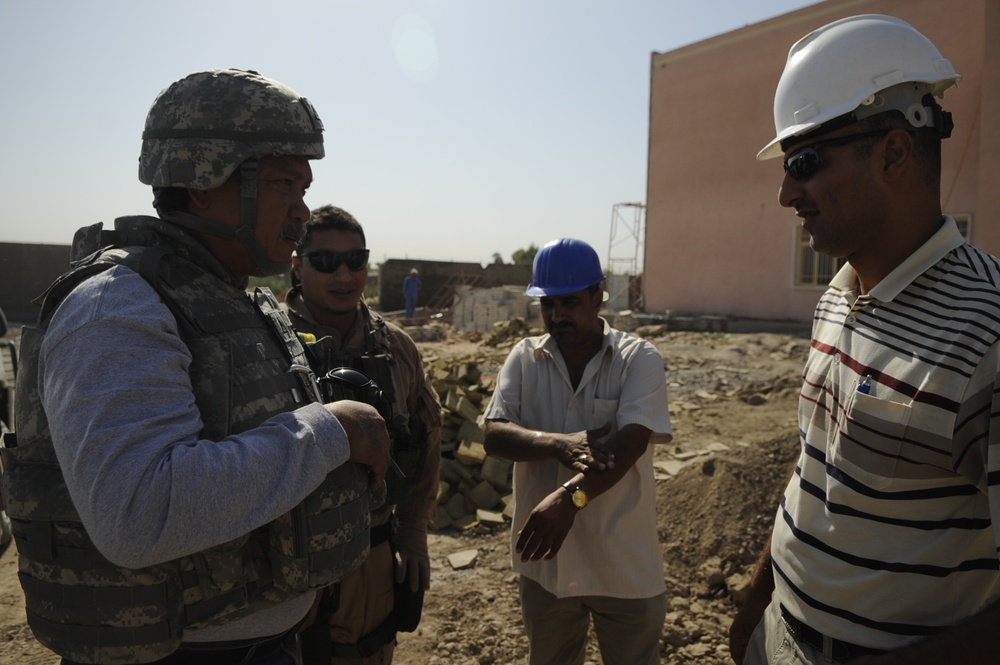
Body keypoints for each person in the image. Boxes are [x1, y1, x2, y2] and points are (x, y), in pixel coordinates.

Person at [0, 69, 392, 665]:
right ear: (202, 182)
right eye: (285, 184)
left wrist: (284, 595)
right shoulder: (117, 306)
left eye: (305, 187)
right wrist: (337, 431)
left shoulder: (231, 297)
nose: (302, 213)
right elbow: (139, 512)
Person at [728, 15, 1000, 665]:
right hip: (780, 633)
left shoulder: (988, 331)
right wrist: (757, 597)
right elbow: (813, 465)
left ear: (895, 153)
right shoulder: (838, 293)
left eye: (805, 160)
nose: (786, 190)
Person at [482, 238, 673, 665]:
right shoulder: (524, 358)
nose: (557, 315)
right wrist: (557, 444)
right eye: (548, 304)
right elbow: (494, 433)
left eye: (569, 302)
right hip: (546, 569)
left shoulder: (638, 359)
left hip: (623, 566)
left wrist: (572, 498)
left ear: (598, 294)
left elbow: (631, 442)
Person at [283, 205, 442, 664]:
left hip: (372, 550)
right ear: (297, 265)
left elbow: (427, 435)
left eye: (356, 260)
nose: (344, 274)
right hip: (290, 563)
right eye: (325, 262)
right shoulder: (267, 342)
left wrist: (413, 532)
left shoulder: (396, 347)